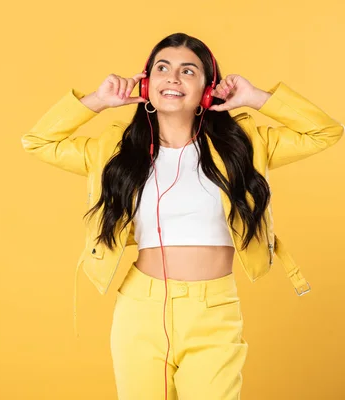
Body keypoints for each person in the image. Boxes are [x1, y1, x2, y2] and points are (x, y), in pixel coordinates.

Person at [20, 32, 343, 400]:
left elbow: (325, 131)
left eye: (188, 71)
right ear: (147, 84)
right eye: (162, 68)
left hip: (214, 309)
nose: (173, 77)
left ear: (208, 90)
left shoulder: (245, 146)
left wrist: (256, 98)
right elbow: (37, 141)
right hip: (140, 308)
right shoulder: (114, 151)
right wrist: (97, 101)